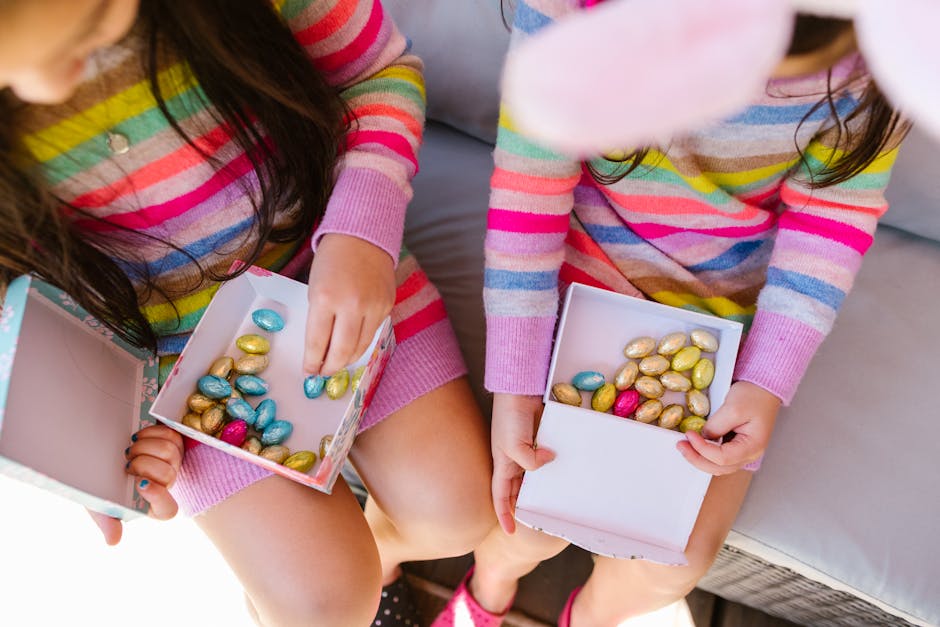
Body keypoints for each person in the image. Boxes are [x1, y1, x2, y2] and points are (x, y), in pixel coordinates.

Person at [0, 0, 494, 625]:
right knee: (323, 606)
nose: (50, 84)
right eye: (12, 73)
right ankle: (356, 573)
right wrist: (83, 443)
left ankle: (379, 556)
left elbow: (380, 71)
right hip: (173, 374)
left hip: (332, 272)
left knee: (458, 515)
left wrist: (362, 229)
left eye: (89, 26)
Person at [432, 1, 910, 625]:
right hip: (582, 271)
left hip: (726, 315)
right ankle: (490, 583)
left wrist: (765, 382)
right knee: (526, 522)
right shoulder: (575, 15)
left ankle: (592, 616)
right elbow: (531, 183)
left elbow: (832, 220)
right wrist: (517, 381)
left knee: (675, 560)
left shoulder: (879, 43)